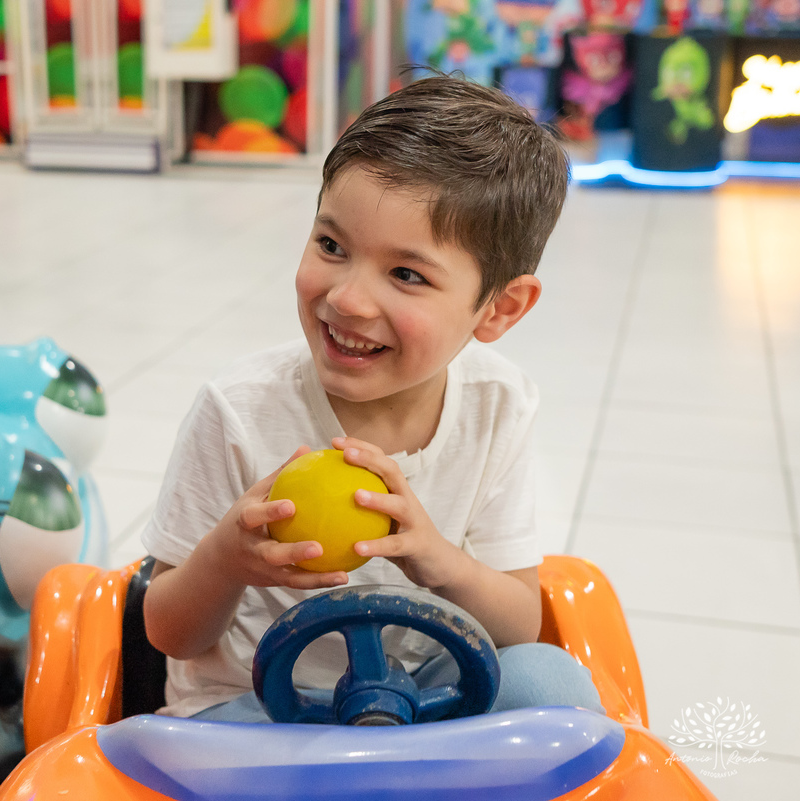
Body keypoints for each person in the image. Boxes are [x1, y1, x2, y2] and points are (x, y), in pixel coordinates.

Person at [140, 74, 603, 723]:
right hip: (253, 718)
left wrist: (437, 558)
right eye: (331, 245)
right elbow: (168, 631)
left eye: (406, 274)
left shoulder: (497, 404)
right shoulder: (239, 410)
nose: (347, 299)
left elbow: (521, 623)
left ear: (500, 308)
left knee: (553, 683)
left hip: (423, 704)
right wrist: (227, 558)